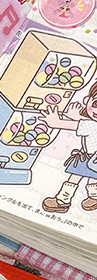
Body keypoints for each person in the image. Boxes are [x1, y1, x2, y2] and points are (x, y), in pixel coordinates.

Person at [42, 81, 97, 213]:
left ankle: (62, 201)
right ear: (87, 100)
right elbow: (83, 124)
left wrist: (54, 121)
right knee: (92, 178)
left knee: (74, 178)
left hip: (88, 158)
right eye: (96, 104)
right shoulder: (90, 124)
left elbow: (70, 125)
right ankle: (94, 197)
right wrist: (76, 116)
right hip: (89, 157)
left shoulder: (91, 125)